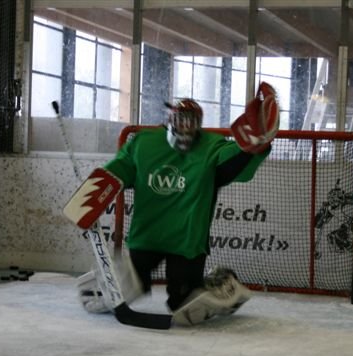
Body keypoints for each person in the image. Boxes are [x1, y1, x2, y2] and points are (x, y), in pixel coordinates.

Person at [68, 83, 279, 325]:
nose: (185, 128)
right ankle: (114, 284)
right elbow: (118, 170)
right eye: (181, 120)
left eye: (191, 123)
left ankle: (224, 286)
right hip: (147, 237)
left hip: (187, 242)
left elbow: (233, 162)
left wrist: (253, 146)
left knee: (187, 305)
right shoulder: (144, 143)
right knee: (129, 283)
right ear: (170, 120)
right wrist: (90, 196)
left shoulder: (212, 147)